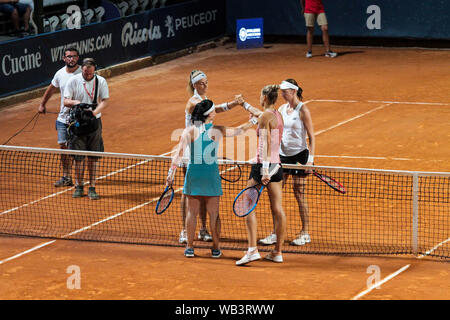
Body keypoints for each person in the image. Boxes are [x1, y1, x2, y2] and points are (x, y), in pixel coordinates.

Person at [167, 99, 257, 258]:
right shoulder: (217, 130)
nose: (216, 111)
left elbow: (178, 155)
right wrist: (255, 121)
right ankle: (215, 248)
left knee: (191, 213)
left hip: (194, 174)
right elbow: (239, 130)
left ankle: (189, 247)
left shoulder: (188, 131)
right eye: (213, 109)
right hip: (211, 176)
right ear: (209, 114)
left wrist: (171, 174)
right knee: (214, 214)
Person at [177, 69, 244, 244]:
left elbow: (214, 110)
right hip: (192, 151)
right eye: (202, 83)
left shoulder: (202, 100)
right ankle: (184, 230)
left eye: (206, 81)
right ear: (195, 85)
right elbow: (211, 113)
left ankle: (203, 229)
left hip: (204, 149)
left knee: (204, 191)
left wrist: (233, 104)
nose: (205, 85)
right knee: (189, 192)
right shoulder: (193, 102)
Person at [259, 79, 315, 246]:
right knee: (276, 194)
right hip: (283, 156)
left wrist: (310, 162)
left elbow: (311, 137)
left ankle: (305, 233)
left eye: (285, 91)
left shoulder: (303, 110)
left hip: (300, 156)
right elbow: (277, 132)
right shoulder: (282, 109)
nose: (282, 94)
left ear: (293, 91)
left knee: (299, 193)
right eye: (281, 91)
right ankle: (276, 232)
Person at [236, 85, 286, 265]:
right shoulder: (277, 115)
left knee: (247, 205)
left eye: (259, 95)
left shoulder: (265, 116)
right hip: (277, 165)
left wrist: (264, 170)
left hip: (263, 166)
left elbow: (265, 143)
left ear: (265, 97)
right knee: (278, 210)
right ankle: (277, 252)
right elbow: (259, 113)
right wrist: (244, 105)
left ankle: (252, 250)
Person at [63, 58, 109, 200]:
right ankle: (79, 186)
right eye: (85, 72)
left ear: (94, 69)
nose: (88, 75)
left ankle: (92, 187)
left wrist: (94, 113)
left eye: (90, 73)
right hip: (77, 123)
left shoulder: (100, 81)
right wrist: (77, 103)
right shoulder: (73, 81)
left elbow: (105, 101)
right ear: (82, 69)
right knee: (78, 157)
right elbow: (65, 101)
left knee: (93, 157)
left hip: (94, 123)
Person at [38, 47, 81, 188]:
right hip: (63, 118)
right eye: (68, 56)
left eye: (74, 56)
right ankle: (67, 176)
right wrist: (42, 104)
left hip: (79, 119)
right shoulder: (60, 74)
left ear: (78, 58)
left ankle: (78, 179)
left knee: (75, 148)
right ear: (64, 58)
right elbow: (51, 89)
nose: (71, 59)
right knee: (63, 147)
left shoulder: (83, 73)